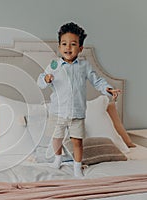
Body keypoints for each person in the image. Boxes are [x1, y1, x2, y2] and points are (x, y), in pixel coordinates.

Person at [37, 22, 121, 177]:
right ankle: (57, 159)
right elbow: (40, 81)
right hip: (58, 112)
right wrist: (46, 79)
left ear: (80, 48)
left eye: (73, 44)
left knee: (77, 141)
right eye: (64, 44)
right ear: (59, 47)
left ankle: (77, 166)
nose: (68, 47)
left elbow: (97, 81)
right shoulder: (54, 65)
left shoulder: (84, 66)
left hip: (77, 112)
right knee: (57, 138)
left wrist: (107, 89)